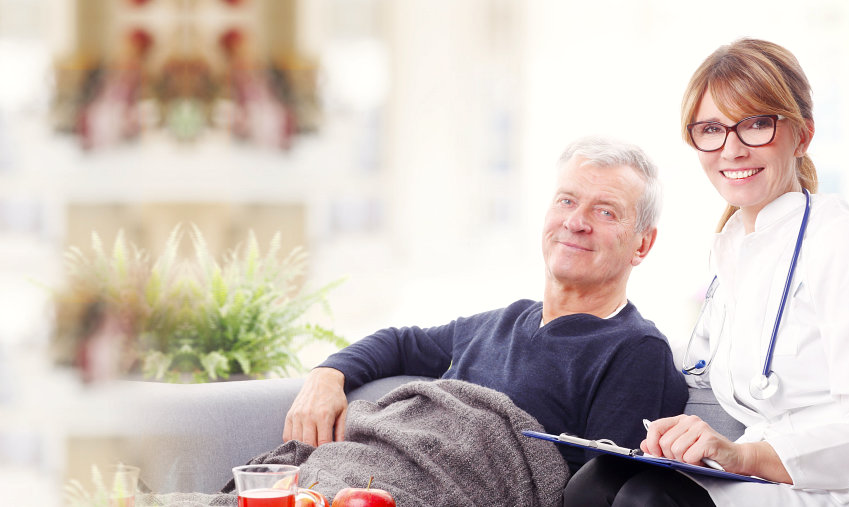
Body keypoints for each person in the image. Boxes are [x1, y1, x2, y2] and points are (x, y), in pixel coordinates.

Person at [564, 38, 849, 506]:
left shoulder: (842, 242)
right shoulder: (733, 248)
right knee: (593, 485)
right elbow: (708, 380)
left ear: (802, 135)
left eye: (756, 124)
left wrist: (744, 456)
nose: (731, 149)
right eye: (711, 129)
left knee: (648, 499)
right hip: (768, 466)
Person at [283, 136, 688, 474]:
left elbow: (601, 487)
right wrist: (326, 376)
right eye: (567, 201)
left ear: (643, 244)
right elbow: (400, 342)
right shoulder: (502, 322)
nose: (576, 221)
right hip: (371, 472)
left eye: (605, 211)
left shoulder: (635, 350)